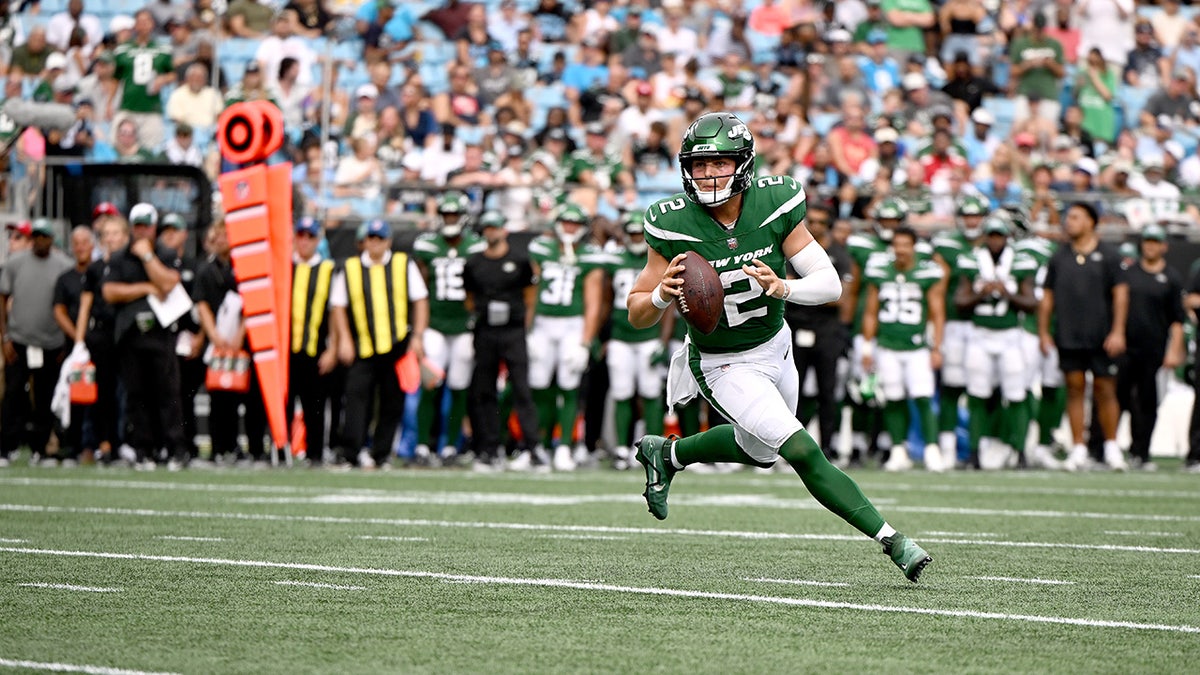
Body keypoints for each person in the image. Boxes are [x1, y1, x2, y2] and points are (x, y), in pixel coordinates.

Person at [626, 111, 932, 582]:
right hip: (721, 362)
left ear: (743, 164)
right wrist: (663, 295)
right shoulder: (671, 223)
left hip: (776, 343)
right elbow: (636, 311)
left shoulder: (775, 201)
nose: (707, 175)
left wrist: (783, 288)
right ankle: (894, 541)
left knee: (760, 452)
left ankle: (667, 455)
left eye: (720, 164)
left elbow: (830, 285)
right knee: (802, 450)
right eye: (699, 165)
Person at [330, 219, 429, 470]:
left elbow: (420, 300)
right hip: (363, 345)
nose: (374, 244)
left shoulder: (403, 264)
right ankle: (352, 451)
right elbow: (338, 307)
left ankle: (381, 453)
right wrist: (344, 340)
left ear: (388, 241)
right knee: (355, 399)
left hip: (396, 345)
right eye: (370, 239)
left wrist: (417, 336)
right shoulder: (351, 268)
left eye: (379, 239)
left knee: (392, 401)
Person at [1038, 202, 1128, 472]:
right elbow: (1048, 297)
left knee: (1105, 389)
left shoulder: (1109, 255)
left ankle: (1111, 447)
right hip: (1068, 333)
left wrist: (1118, 330)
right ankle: (1078, 447)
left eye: (1076, 217)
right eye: (1068, 217)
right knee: (1074, 387)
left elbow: (1120, 295)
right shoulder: (1059, 257)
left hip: (1101, 334)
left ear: (1091, 221)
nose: (1069, 222)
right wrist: (1044, 331)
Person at [101, 204, 188, 469]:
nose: (141, 230)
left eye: (146, 225)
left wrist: (149, 258)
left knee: (167, 393)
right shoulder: (119, 257)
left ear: (154, 226)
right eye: (137, 225)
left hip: (161, 334)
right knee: (136, 395)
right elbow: (110, 292)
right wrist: (145, 288)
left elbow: (168, 282)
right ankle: (143, 449)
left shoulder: (164, 252)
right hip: (130, 335)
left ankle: (173, 449)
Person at [526, 204, 609, 471]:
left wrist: (586, 340)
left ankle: (563, 446)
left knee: (568, 384)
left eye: (575, 223)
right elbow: (530, 294)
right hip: (542, 324)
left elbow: (593, 302)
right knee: (539, 384)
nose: (570, 227)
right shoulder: (541, 249)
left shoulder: (590, 255)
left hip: (572, 325)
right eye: (566, 222)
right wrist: (526, 331)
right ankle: (537, 445)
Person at [956, 215, 1039, 469]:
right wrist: (981, 293)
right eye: (990, 235)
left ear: (1006, 237)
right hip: (979, 335)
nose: (994, 241)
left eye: (999, 236)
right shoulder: (971, 260)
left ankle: (1020, 452)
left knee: (1015, 394)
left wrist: (1007, 294)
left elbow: (1032, 303)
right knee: (977, 394)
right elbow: (959, 302)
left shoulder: (1021, 262)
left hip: (1010, 336)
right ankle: (974, 452)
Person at [861, 226, 947, 472]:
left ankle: (932, 449)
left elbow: (937, 312)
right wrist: (867, 347)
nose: (900, 250)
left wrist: (937, 347)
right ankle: (899, 449)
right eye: (896, 244)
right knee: (893, 398)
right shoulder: (880, 270)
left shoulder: (926, 270)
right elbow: (870, 311)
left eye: (905, 245)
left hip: (916, 345)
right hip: (887, 345)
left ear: (914, 246)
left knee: (922, 397)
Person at [463, 210, 542, 471]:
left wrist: (524, 327)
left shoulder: (519, 260)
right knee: (483, 390)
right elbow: (469, 298)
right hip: (486, 330)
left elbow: (530, 295)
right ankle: (488, 447)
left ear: (503, 230)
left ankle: (532, 447)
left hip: (512, 331)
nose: (491, 232)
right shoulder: (474, 263)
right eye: (487, 228)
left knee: (521, 389)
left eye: (494, 227)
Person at [411, 192, 485, 465]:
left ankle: (451, 447)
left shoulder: (476, 246)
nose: (450, 220)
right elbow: (420, 286)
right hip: (435, 325)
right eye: (446, 215)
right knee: (429, 385)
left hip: (464, 327)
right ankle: (422, 446)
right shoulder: (427, 246)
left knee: (459, 386)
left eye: (454, 215)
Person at [0, 219, 73, 466]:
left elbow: (68, 303)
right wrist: (5, 337)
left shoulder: (64, 265)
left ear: (51, 240)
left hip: (51, 342)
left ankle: (40, 449)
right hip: (19, 339)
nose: (40, 241)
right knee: (13, 394)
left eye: (45, 237)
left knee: (44, 397)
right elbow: (3, 298)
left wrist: (64, 341)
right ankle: (7, 447)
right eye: (37, 236)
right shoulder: (15, 263)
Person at [785, 199, 851, 461]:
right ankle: (790, 449)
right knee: (791, 390)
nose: (815, 226)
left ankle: (826, 448)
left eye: (821, 222)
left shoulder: (839, 254)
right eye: (811, 221)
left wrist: (800, 288)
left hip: (827, 331)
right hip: (795, 326)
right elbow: (784, 287)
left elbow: (840, 298)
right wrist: (814, 290)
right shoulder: (793, 249)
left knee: (828, 391)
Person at [1116, 225, 1184, 470]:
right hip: (1125, 346)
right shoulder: (1128, 273)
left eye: (1155, 241)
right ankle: (1107, 449)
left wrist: (1174, 349)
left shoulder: (1172, 278)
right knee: (1117, 398)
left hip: (1153, 348)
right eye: (1147, 241)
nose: (1150, 245)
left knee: (1146, 402)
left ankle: (1141, 453)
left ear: (1164, 246)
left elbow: (1177, 319)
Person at [289, 217, 339, 468]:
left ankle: (316, 454)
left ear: (318, 240)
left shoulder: (329, 270)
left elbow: (336, 313)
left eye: (310, 236)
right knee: (285, 403)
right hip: (288, 348)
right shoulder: (285, 268)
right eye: (301, 235)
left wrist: (333, 348)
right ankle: (281, 451)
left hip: (316, 347)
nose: (305, 241)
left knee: (316, 405)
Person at [51, 226, 97, 464]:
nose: (80, 247)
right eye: (76, 243)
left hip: (99, 345)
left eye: (84, 242)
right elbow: (58, 310)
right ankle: (74, 445)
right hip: (75, 348)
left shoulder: (100, 272)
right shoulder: (66, 278)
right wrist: (78, 338)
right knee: (74, 397)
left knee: (100, 396)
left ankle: (96, 445)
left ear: (92, 244)